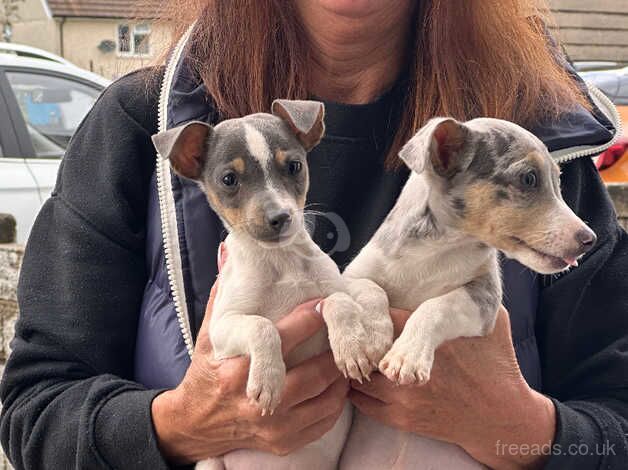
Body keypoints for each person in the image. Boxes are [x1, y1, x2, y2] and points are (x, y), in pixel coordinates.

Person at [1, 1, 627, 469]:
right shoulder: (141, 125)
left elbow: (616, 424)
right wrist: (181, 424)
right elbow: (36, 412)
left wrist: (521, 427)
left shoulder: (536, 145)